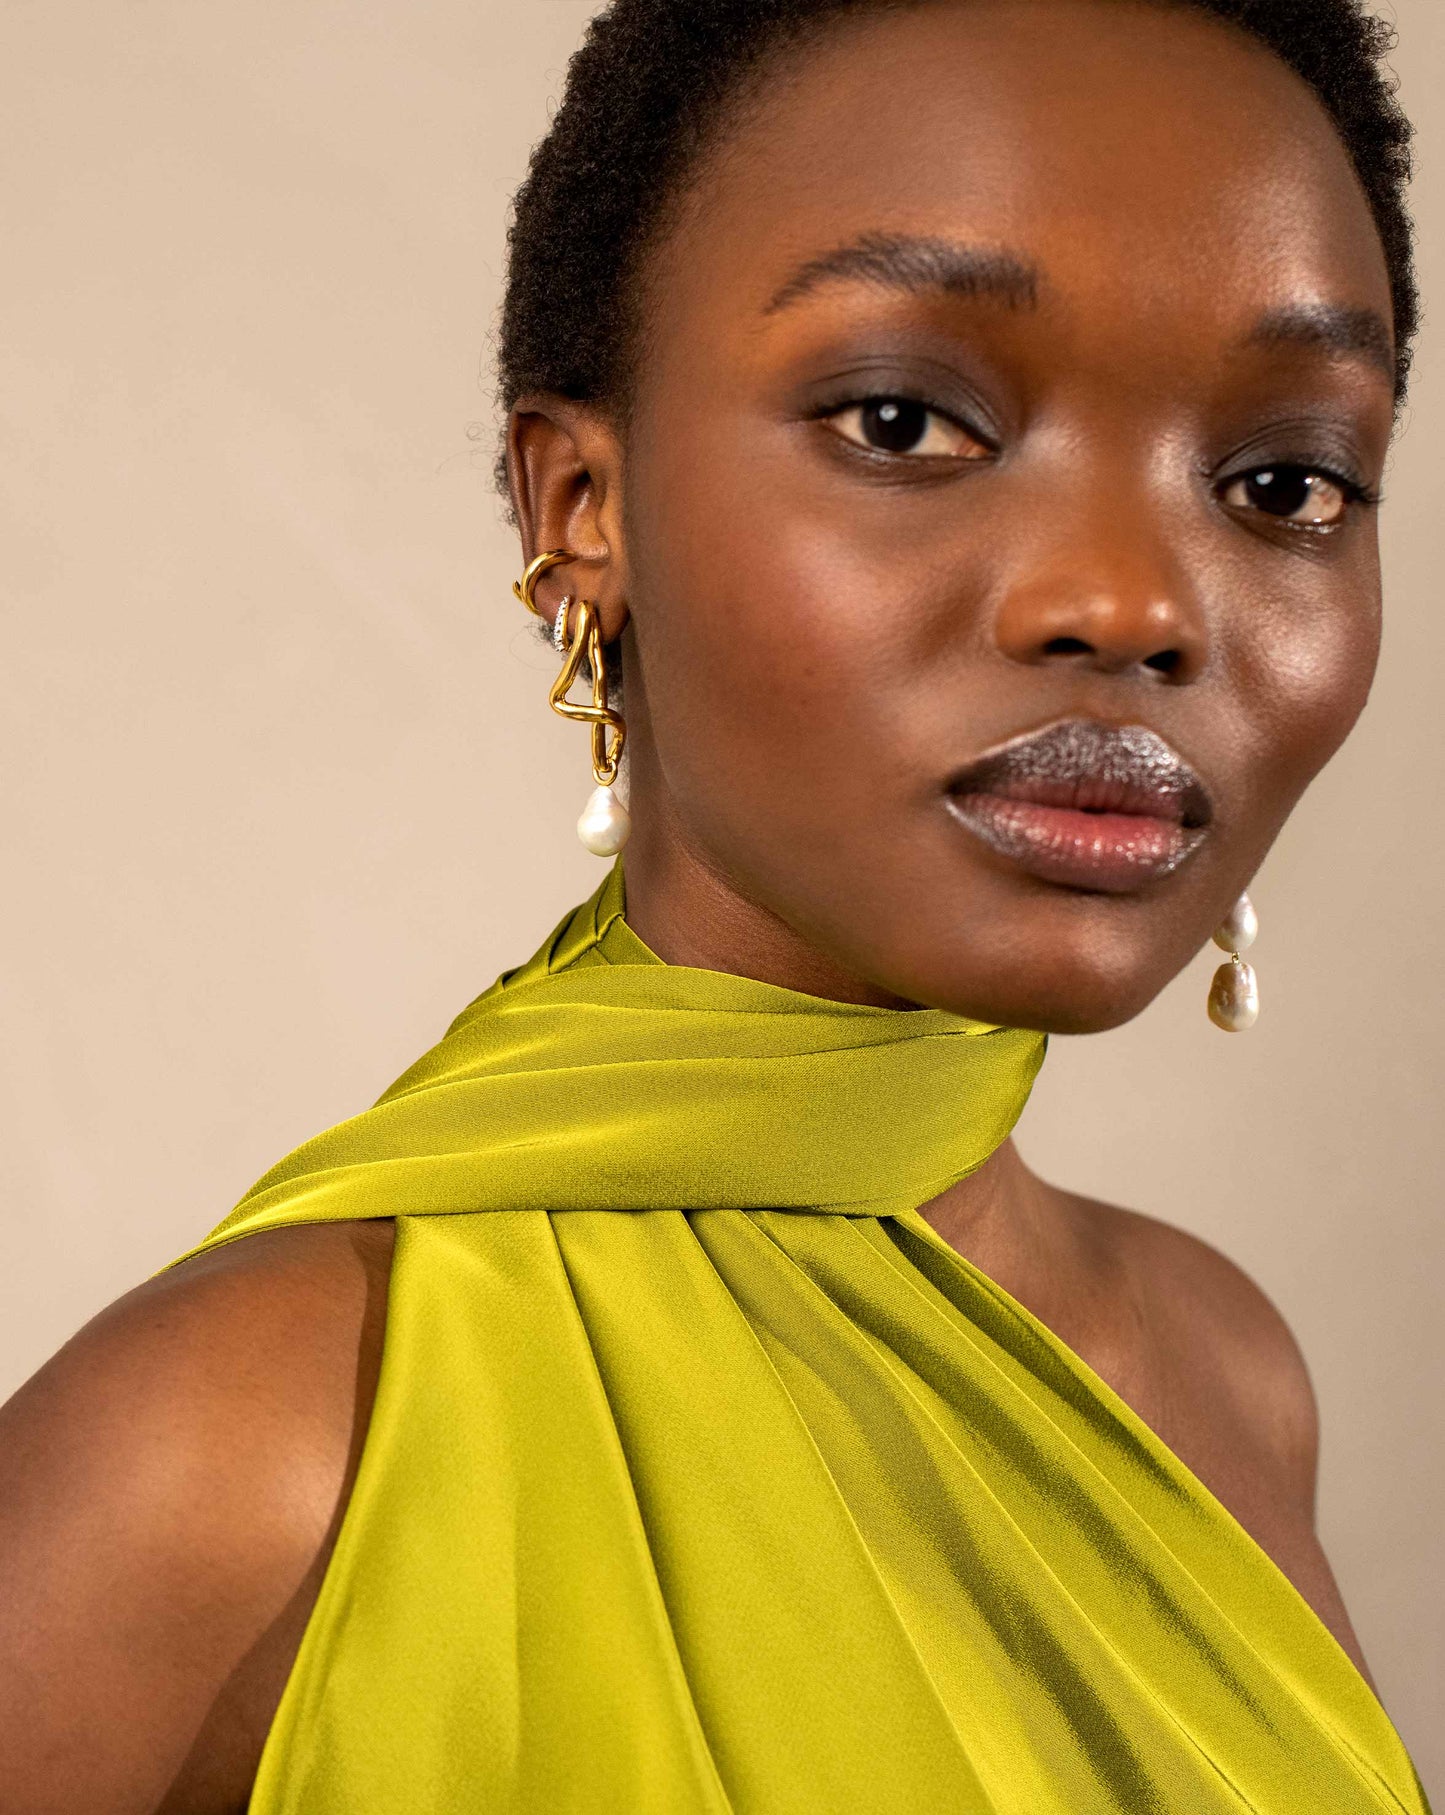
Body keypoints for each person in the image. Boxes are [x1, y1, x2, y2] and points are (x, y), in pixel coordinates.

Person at [0, 0, 1431, 1809]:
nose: (1134, 602)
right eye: (905, 422)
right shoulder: (231, 1457)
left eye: (1283, 482)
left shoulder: (1229, 1371)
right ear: (579, 508)